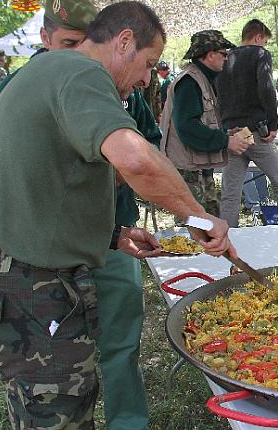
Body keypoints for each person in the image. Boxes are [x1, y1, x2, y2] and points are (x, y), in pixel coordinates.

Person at [0, 0, 235, 429]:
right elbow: (137, 159)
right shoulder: (81, 71)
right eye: (148, 63)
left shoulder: (42, 74)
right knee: (58, 418)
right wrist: (199, 217)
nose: (147, 78)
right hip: (40, 287)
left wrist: (111, 234)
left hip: (25, 278)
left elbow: (45, 183)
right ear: (124, 41)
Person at [93, 89, 161, 430]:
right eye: (69, 43)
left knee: (121, 342)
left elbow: (150, 144)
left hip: (116, 234)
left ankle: (128, 423)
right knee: (52, 362)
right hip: (47, 253)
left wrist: (123, 169)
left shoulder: (125, 91)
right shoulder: (24, 87)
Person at [161, 29, 252, 221]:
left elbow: (199, 122)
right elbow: (187, 127)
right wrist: (226, 141)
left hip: (199, 169)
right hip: (189, 173)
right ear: (210, 55)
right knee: (192, 232)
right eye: (223, 54)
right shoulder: (189, 82)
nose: (226, 58)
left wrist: (226, 133)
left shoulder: (202, 79)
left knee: (209, 228)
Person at [216, 19, 278, 227]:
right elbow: (266, 88)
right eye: (265, 41)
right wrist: (273, 123)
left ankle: (227, 238)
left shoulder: (224, 59)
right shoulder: (260, 54)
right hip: (254, 130)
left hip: (232, 133)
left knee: (230, 193)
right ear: (258, 37)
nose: (265, 46)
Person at [0, 0, 97, 97]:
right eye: (70, 43)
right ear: (45, 38)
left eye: (87, 43)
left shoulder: (95, 81)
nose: (81, 51)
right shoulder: (17, 85)